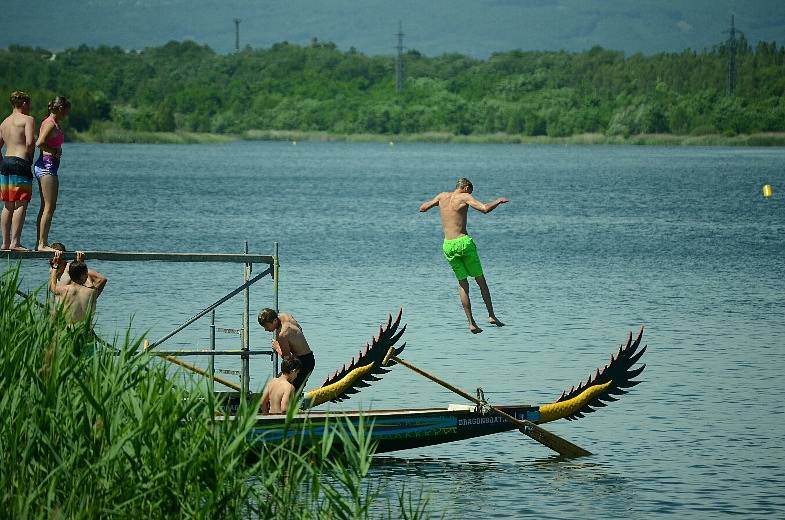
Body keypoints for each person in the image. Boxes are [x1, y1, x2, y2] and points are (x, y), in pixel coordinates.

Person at [419, 177, 509, 334]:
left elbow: (422, 208)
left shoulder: (442, 196)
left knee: (463, 284)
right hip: (463, 243)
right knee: (481, 281)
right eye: (471, 191)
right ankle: (491, 315)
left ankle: (471, 323)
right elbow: (485, 208)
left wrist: (432, 205)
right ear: (466, 187)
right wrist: (498, 201)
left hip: (448, 245)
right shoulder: (465, 197)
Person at [34, 96, 71, 251]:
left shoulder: (50, 122)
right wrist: (55, 151)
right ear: (61, 108)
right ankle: (42, 244)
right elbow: (39, 143)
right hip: (47, 167)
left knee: (45, 206)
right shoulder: (50, 124)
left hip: (47, 166)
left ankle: (40, 243)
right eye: (67, 111)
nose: (67, 114)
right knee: (50, 206)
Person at [0, 91, 35, 250]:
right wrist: (29, 158)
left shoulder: (4, 123)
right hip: (20, 162)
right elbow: (29, 143)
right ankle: (15, 242)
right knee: (21, 204)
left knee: (8, 205)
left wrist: (3, 162)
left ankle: (5, 243)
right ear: (25, 103)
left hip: (6, 162)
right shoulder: (28, 119)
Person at [257, 308, 315, 392]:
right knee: (279, 383)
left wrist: (277, 347)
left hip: (302, 364)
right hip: (309, 358)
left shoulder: (282, 334)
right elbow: (300, 329)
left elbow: (287, 359)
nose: (265, 329)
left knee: (288, 390)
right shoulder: (286, 316)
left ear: (274, 321)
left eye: (266, 326)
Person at [49, 249, 108, 324]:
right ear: (85, 274)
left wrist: (55, 266)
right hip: (85, 330)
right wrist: (80, 263)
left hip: (69, 330)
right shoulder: (92, 292)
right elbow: (101, 279)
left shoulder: (64, 290)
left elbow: (52, 286)